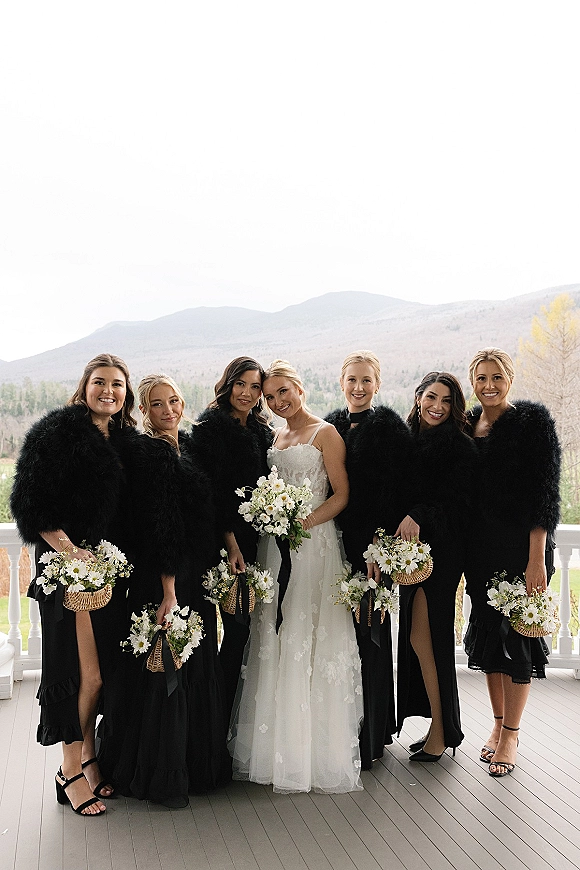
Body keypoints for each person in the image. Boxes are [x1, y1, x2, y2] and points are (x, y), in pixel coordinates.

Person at [10, 354, 139, 816]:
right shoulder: (57, 434)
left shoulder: (126, 442)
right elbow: (30, 503)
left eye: (118, 384)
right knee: (80, 673)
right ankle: (69, 770)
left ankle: (88, 756)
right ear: (85, 386)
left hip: (106, 573)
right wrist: (71, 552)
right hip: (66, 571)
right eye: (100, 382)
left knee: (103, 675)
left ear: (127, 393)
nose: (109, 390)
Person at [228, 360, 363, 794]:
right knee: (275, 633)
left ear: (300, 389)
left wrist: (301, 524)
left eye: (284, 391)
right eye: (270, 396)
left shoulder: (326, 433)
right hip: (274, 549)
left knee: (309, 631)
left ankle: (314, 753)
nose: (277, 401)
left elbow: (342, 496)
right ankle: (275, 746)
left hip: (312, 546)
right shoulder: (275, 436)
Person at [98, 374, 231, 807]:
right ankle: (160, 769)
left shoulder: (187, 447)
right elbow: (161, 527)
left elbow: (203, 515)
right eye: (157, 404)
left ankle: (193, 763)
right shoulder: (146, 453)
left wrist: (226, 550)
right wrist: (169, 591)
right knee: (164, 662)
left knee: (192, 663)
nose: (169, 409)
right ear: (144, 411)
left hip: (193, 573)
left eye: (174, 400)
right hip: (163, 577)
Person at [463, 348, 560, 777]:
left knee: (516, 639)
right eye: (481, 377)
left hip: (524, 550)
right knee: (489, 637)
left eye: (496, 377)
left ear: (510, 378)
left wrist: (536, 559)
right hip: (481, 551)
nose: (488, 385)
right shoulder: (466, 424)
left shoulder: (532, 424)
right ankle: (498, 724)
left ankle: (512, 735)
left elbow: (544, 494)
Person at [326, 351, 413, 768]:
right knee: (341, 642)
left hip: (373, 554)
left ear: (377, 384)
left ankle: (372, 734)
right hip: (334, 549)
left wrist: (379, 549)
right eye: (351, 380)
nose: (358, 387)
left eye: (366, 380)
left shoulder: (389, 429)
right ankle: (339, 728)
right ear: (341, 382)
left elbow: (398, 494)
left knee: (372, 640)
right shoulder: (332, 425)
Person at [395, 372, 476, 761]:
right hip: (411, 553)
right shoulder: (408, 441)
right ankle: (441, 726)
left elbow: (459, 506)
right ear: (418, 397)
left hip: (442, 554)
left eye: (446, 400)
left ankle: (443, 732)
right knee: (418, 638)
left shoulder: (460, 448)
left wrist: (419, 514)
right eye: (431, 397)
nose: (437, 407)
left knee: (427, 639)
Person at [189, 357, 272, 721]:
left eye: (256, 387)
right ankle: (215, 718)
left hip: (255, 543)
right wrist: (231, 544)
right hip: (221, 546)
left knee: (246, 632)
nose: (248, 393)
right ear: (228, 384)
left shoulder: (260, 429)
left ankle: (234, 715)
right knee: (231, 631)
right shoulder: (210, 427)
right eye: (242, 384)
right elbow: (211, 493)